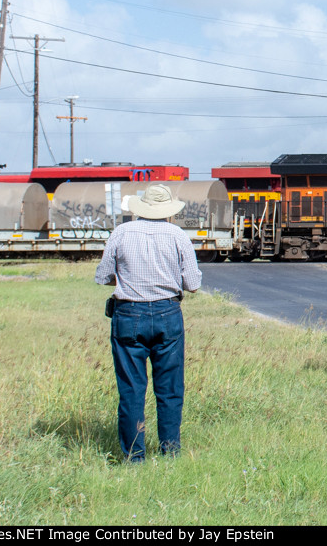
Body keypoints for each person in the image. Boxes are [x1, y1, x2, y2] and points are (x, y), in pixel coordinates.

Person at [95, 183, 202, 462]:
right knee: (170, 388)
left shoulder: (121, 233)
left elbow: (103, 276)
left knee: (131, 389)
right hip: (168, 314)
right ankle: (169, 452)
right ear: (168, 211)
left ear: (140, 208)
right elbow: (193, 284)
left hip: (128, 314)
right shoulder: (178, 235)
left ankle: (134, 456)